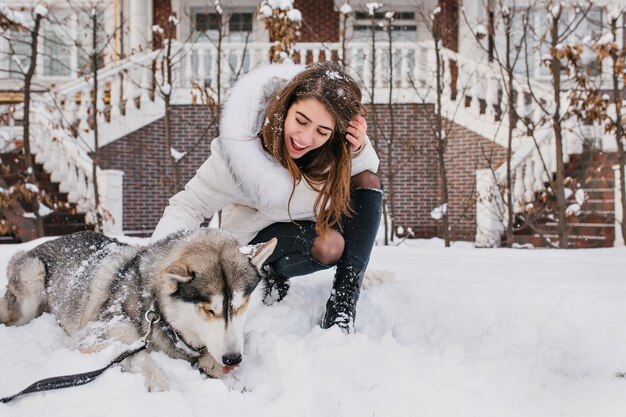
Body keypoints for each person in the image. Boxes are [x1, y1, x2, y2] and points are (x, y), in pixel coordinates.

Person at [152, 61, 382, 334]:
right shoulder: (241, 153)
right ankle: (265, 275)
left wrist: (357, 149)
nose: (305, 138)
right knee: (329, 244)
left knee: (367, 181)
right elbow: (189, 205)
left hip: (306, 231)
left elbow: (366, 180)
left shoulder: (334, 151)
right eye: (301, 120)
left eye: (321, 131)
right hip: (252, 243)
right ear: (286, 106)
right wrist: (157, 261)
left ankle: (344, 301)